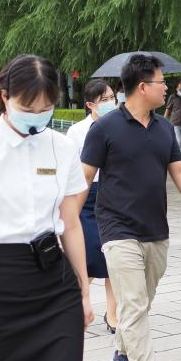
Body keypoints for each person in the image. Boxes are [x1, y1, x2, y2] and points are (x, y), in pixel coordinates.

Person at [82, 53, 181, 361]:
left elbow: (178, 170)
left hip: (155, 228)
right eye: (161, 82)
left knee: (141, 301)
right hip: (116, 228)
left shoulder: (164, 128)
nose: (167, 88)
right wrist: (68, 223)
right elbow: (84, 178)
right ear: (142, 86)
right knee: (135, 302)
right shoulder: (104, 129)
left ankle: (121, 354)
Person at [0, 54, 94, 361]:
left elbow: (71, 222)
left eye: (45, 109)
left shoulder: (62, 147)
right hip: (0, 284)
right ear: (5, 97)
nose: (36, 118)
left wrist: (84, 290)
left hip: (53, 283)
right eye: (27, 108)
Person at [66, 78, 119, 333]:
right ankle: (76, 306)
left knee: (115, 258)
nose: (111, 102)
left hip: (114, 196)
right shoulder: (77, 132)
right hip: (86, 197)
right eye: (104, 99)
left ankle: (113, 315)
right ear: (90, 104)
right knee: (89, 256)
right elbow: (72, 170)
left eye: (112, 98)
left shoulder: (121, 126)